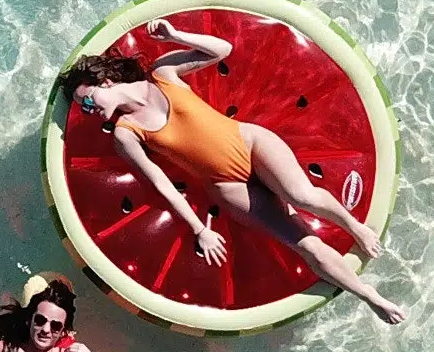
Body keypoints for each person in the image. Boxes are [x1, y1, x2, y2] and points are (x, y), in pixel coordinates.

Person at [61, 19, 407, 324]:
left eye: (88, 101)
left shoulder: (162, 74)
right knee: (306, 246)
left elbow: (222, 49)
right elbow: (162, 184)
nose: (89, 111)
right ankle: (370, 296)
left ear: (104, 82)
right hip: (227, 187)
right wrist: (199, 230)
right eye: (83, 108)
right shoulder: (125, 133)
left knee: (302, 195)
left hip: (250, 142)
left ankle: (354, 226)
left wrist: (176, 35)